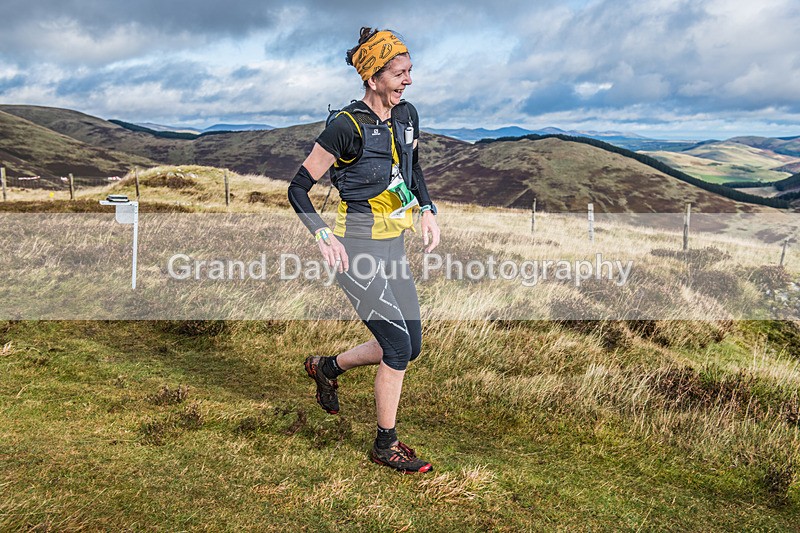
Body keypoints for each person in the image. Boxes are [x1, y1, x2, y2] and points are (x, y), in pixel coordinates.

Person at [288, 27, 440, 473]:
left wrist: (427, 209)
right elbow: (298, 189)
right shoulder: (345, 127)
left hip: (393, 245)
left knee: (410, 346)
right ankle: (384, 445)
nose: (407, 80)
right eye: (398, 73)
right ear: (372, 78)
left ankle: (327, 368)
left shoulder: (408, 115)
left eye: (409, 71)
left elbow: (413, 171)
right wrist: (322, 235)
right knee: (395, 347)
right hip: (356, 251)